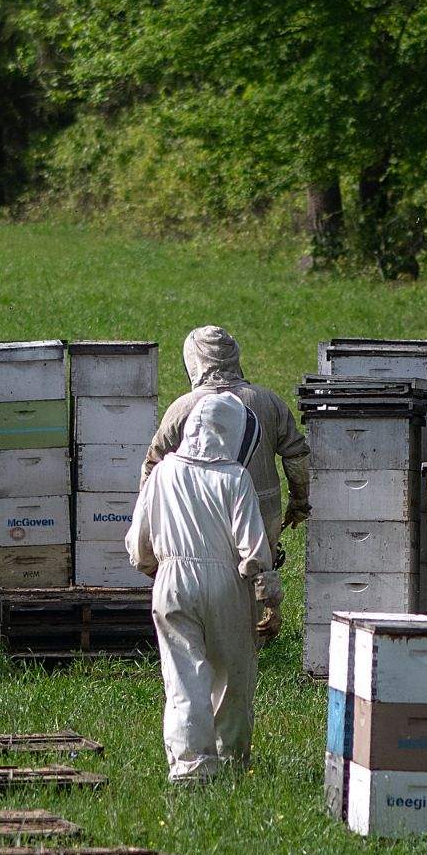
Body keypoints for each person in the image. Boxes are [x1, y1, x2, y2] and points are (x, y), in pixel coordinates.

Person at [126, 390, 278, 782]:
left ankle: (191, 768)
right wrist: (269, 598)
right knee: (231, 677)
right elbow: (254, 548)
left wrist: (152, 568)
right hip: (227, 583)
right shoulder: (235, 478)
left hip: (171, 582)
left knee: (182, 679)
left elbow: (139, 539)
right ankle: (230, 762)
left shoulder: (161, 473)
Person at [142, 324, 309, 639]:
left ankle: (218, 638)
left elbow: (153, 465)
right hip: (262, 509)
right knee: (255, 569)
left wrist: (150, 519)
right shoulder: (268, 401)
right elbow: (297, 455)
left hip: (201, 514)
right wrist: (300, 503)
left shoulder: (183, 407)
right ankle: (250, 635)